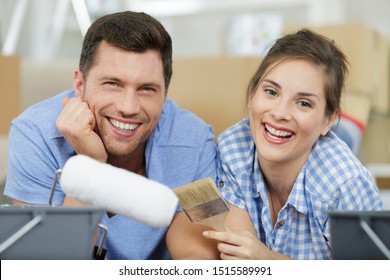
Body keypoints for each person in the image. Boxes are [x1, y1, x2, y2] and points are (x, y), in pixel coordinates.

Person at [4, 11, 216, 260]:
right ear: (80, 85)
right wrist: (90, 164)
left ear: (165, 94)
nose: (128, 107)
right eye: (112, 84)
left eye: (147, 89)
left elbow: (199, 257)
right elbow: (46, 265)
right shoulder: (33, 134)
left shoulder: (197, 140)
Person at [166, 28, 384, 260]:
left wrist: (268, 261)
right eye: (271, 91)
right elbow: (228, 247)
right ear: (251, 95)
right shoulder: (233, 146)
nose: (280, 113)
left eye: (303, 103)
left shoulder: (345, 185)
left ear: (328, 120)